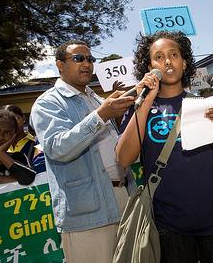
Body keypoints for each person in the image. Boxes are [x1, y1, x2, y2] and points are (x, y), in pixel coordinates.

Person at [115, 31, 213, 263]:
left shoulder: (204, 105)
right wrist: (146, 101)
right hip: (168, 223)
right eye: (158, 57)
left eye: (174, 55)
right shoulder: (140, 108)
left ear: (184, 62)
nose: (167, 61)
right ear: (148, 66)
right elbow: (123, 159)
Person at [30, 40, 137, 263]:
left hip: (123, 196)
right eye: (79, 58)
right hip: (88, 209)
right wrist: (100, 116)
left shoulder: (97, 99)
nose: (86, 63)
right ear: (60, 65)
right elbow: (57, 148)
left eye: (90, 59)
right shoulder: (48, 103)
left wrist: (114, 115)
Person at [0, 110, 36, 194]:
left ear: (14, 136)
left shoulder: (18, 158)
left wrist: (0, 154)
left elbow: (27, 178)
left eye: (8, 133)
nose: (0, 137)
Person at [3, 105, 46, 173]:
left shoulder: (38, 143)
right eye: (7, 120)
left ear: (23, 118)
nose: (13, 123)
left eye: (16, 118)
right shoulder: (0, 149)